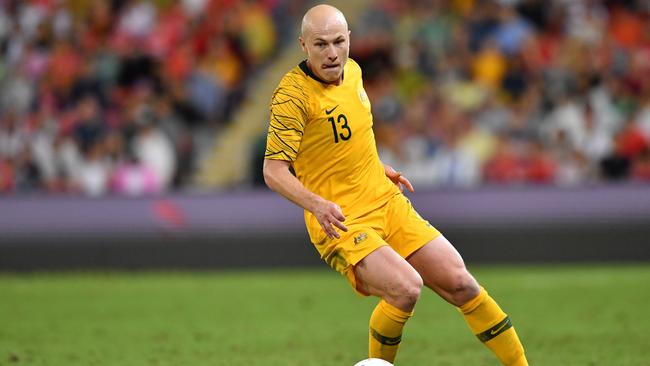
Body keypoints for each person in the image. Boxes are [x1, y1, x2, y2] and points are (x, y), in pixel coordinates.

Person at [262, 4, 528, 365]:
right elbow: (273, 171)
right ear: (303, 45)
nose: (332, 53)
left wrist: (377, 167)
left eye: (339, 42)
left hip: (384, 200)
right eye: (321, 44)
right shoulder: (292, 97)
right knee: (406, 288)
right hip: (341, 220)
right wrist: (318, 205)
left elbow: (351, 138)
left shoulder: (353, 73)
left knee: (462, 283)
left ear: (350, 40)